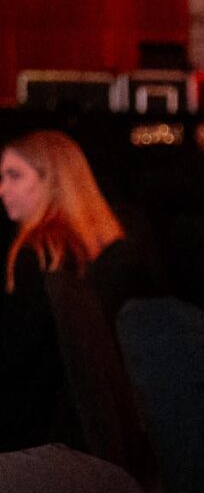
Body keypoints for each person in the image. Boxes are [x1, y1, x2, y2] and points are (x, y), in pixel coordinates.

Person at [0, 131, 123, 451]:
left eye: (15, 176)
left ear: (53, 181)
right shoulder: (97, 245)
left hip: (32, 430)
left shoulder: (39, 252)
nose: (2, 189)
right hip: (83, 427)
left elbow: (15, 355)